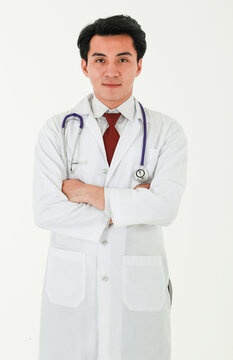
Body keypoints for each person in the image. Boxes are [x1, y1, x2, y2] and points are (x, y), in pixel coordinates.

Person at [33, 14, 188, 360]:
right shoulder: (56, 131)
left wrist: (89, 194)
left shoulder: (167, 132)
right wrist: (131, 204)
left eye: (123, 59)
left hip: (139, 296)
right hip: (73, 294)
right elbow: (46, 210)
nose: (111, 71)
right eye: (100, 60)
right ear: (85, 67)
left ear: (139, 65)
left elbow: (165, 207)